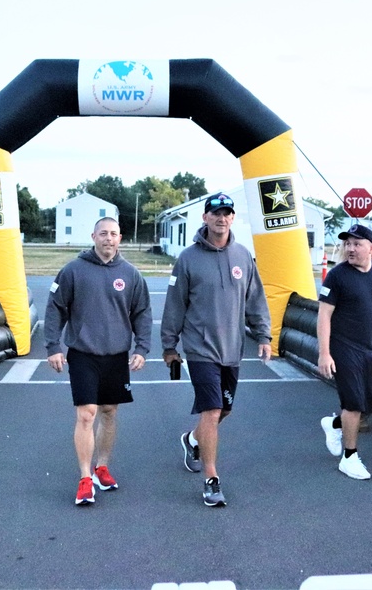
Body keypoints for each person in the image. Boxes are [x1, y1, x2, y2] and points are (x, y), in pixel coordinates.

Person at [161, 192, 272, 507]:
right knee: (210, 410)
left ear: (233, 218)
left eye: (227, 213)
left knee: (224, 410)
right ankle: (211, 480)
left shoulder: (242, 257)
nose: (221, 218)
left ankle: (192, 439)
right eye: (215, 213)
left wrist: (264, 336)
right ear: (205, 218)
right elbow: (175, 305)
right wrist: (169, 346)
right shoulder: (188, 259)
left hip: (231, 350)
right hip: (200, 349)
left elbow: (255, 301)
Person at [44, 217, 153, 506]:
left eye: (113, 234)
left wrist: (142, 347)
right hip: (83, 354)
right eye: (103, 233)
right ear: (93, 236)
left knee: (109, 412)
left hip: (116, 355)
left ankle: (101, 467)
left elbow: (142, 312)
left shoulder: (130, 274)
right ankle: (84, 478)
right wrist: (53, 346)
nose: (108, 238)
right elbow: (55, 308)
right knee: (86, 413)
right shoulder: (73, 271)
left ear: (121, 238)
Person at [316, 223, 372, 480]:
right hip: (344, 347)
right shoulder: (337, 276)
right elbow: (323, 316)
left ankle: (334, 424)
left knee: (368, 402)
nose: (350, 249)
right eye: (347, 244)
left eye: (357, 244)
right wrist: (325, 353)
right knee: (354, 403)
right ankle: (349, 457)